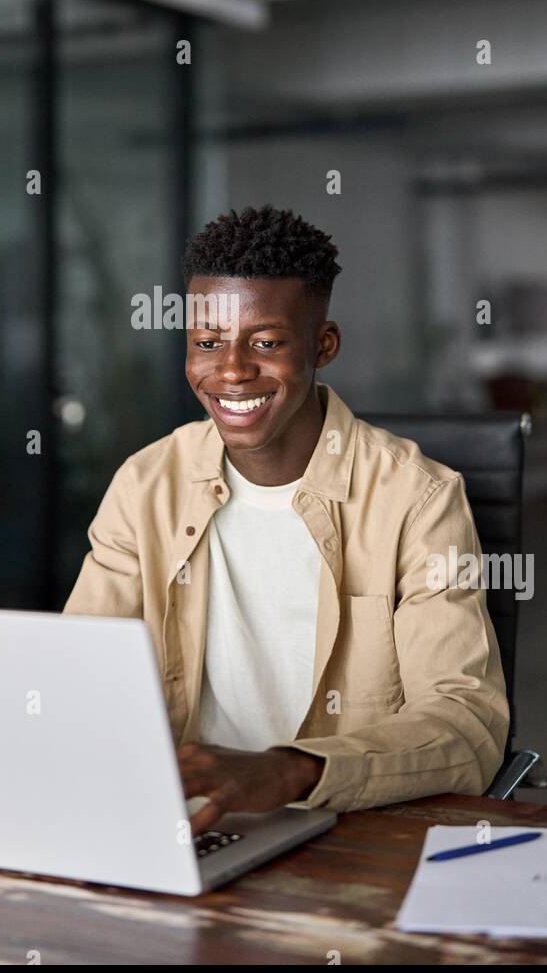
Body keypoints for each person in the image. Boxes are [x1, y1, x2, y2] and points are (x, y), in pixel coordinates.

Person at [63, 205, 509, 835]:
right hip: (179, 826)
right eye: (207, 342)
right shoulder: (146, 484)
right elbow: (77, 674)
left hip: (340, 825)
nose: (232, 370)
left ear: (322, 345)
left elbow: (467, 725)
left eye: (266, 342)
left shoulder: (420, 499)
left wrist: (291, 771)